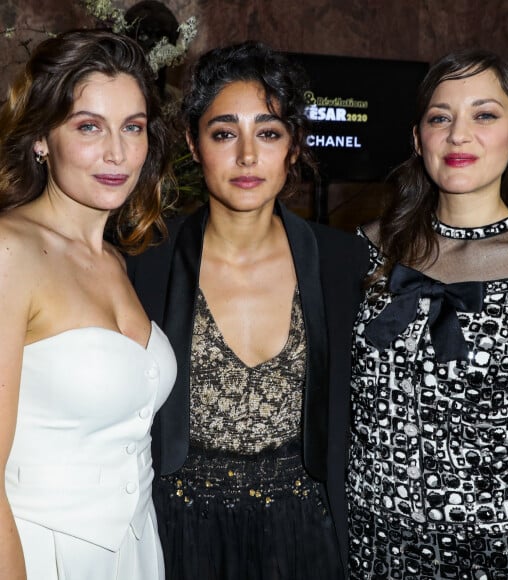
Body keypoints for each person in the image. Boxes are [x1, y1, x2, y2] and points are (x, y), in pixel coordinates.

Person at [127, 41, 369, 580]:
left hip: (305, 535)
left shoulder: (343, 262)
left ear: (293, 146)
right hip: (180, 534)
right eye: (223, 133)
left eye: (268, 132)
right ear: (193, 143)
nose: (246, 156)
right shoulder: (144, 266)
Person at [347, 49, 508, 580]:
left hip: (498, 552)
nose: (458, 135)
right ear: (417, 138)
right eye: (440, 117)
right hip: (370, 547)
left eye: (484, 115)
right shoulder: (364, 253)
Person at [0, 30, 177, 580]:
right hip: (40, 553)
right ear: (40, 140)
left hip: (137, 548)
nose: (117, 153)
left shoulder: (119, 263)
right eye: (88, 126)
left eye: (133, 127)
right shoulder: (10, 252)